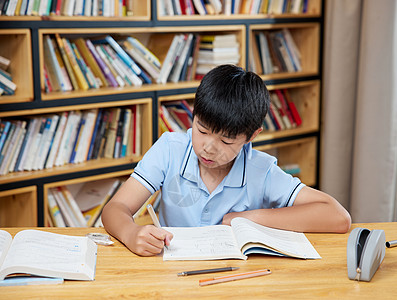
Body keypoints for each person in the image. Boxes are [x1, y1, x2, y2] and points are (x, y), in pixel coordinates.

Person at [102, 64, 351, 256]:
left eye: (226, 141)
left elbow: (338, 217)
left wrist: (251, 218)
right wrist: (131, 232)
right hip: (172, 274)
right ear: (194, 114)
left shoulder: (260, 170)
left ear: (251, 136)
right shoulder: (170, 150)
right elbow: (115, 209)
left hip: (238, 277)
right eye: (202, 130)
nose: (208, 148)